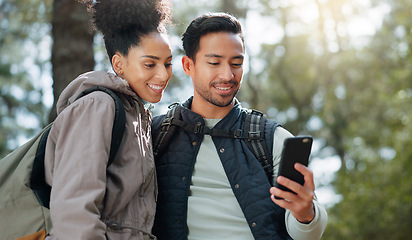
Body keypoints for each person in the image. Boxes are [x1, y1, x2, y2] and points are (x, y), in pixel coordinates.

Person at [151, 12, 327, 240]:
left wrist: (305, 213)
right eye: (214, 63)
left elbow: (307, 233)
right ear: (188, 65)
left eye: (237, 63)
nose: (228, 75)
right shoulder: (156, 135)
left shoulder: (271, 138)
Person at [43, 0, 172, 239]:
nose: (163, 75)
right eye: (150, 64)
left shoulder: (140, 119)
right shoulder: (97, 106)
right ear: (119, 64)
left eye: (168, 63)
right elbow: (74, 213)